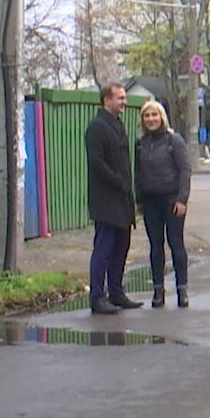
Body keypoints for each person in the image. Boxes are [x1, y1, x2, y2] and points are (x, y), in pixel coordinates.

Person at [85, 84, 140, 315]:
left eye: (125, 98)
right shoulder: (97, 127)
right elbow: (97, 163)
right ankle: (97, 296)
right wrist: (118, 181)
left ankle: (116, 292)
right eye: (120, 98)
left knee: (121, 247)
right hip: (106, 199)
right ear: (107, 100)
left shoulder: (117, 124)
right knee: (104, 248)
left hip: (122, 199)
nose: (124, 102)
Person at [134, 100, 192, 309]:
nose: (151, 119)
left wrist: (182, 199)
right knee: (155, 246)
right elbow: (138, 173)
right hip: (150, 201)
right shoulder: (140, 143)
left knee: (176, 244)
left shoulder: (173, 141)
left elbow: (185, 170)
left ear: (162, 117)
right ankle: (158, 291)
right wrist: (139, 199)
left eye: (154, 115)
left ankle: (182, 290)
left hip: (172, 200)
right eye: (147, 116)